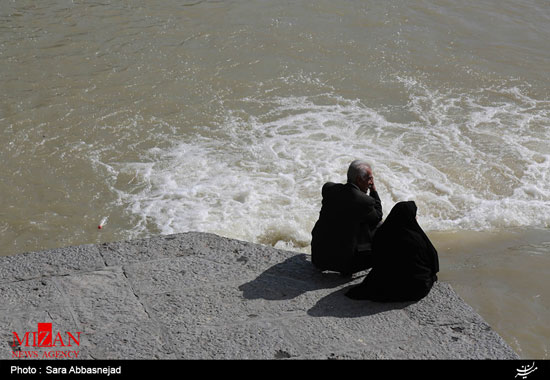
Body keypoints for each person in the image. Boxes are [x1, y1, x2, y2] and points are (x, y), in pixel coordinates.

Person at [345, 201, 439, 302]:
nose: (416, 218)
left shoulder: (381, 233)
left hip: (385, 284)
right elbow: (432, 259)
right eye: (414, 215)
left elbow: (375, 258)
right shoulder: (416, 238)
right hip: (415, 288)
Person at [311, 160, 383, 276]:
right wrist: (373, 190)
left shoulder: (329, 188)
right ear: (359, 180)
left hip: (318, 259)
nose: (370, 182)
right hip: (345, 265)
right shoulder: (364, 201)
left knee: (348, 219)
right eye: (369, 178)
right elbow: (378, 216)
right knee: (379, 225)